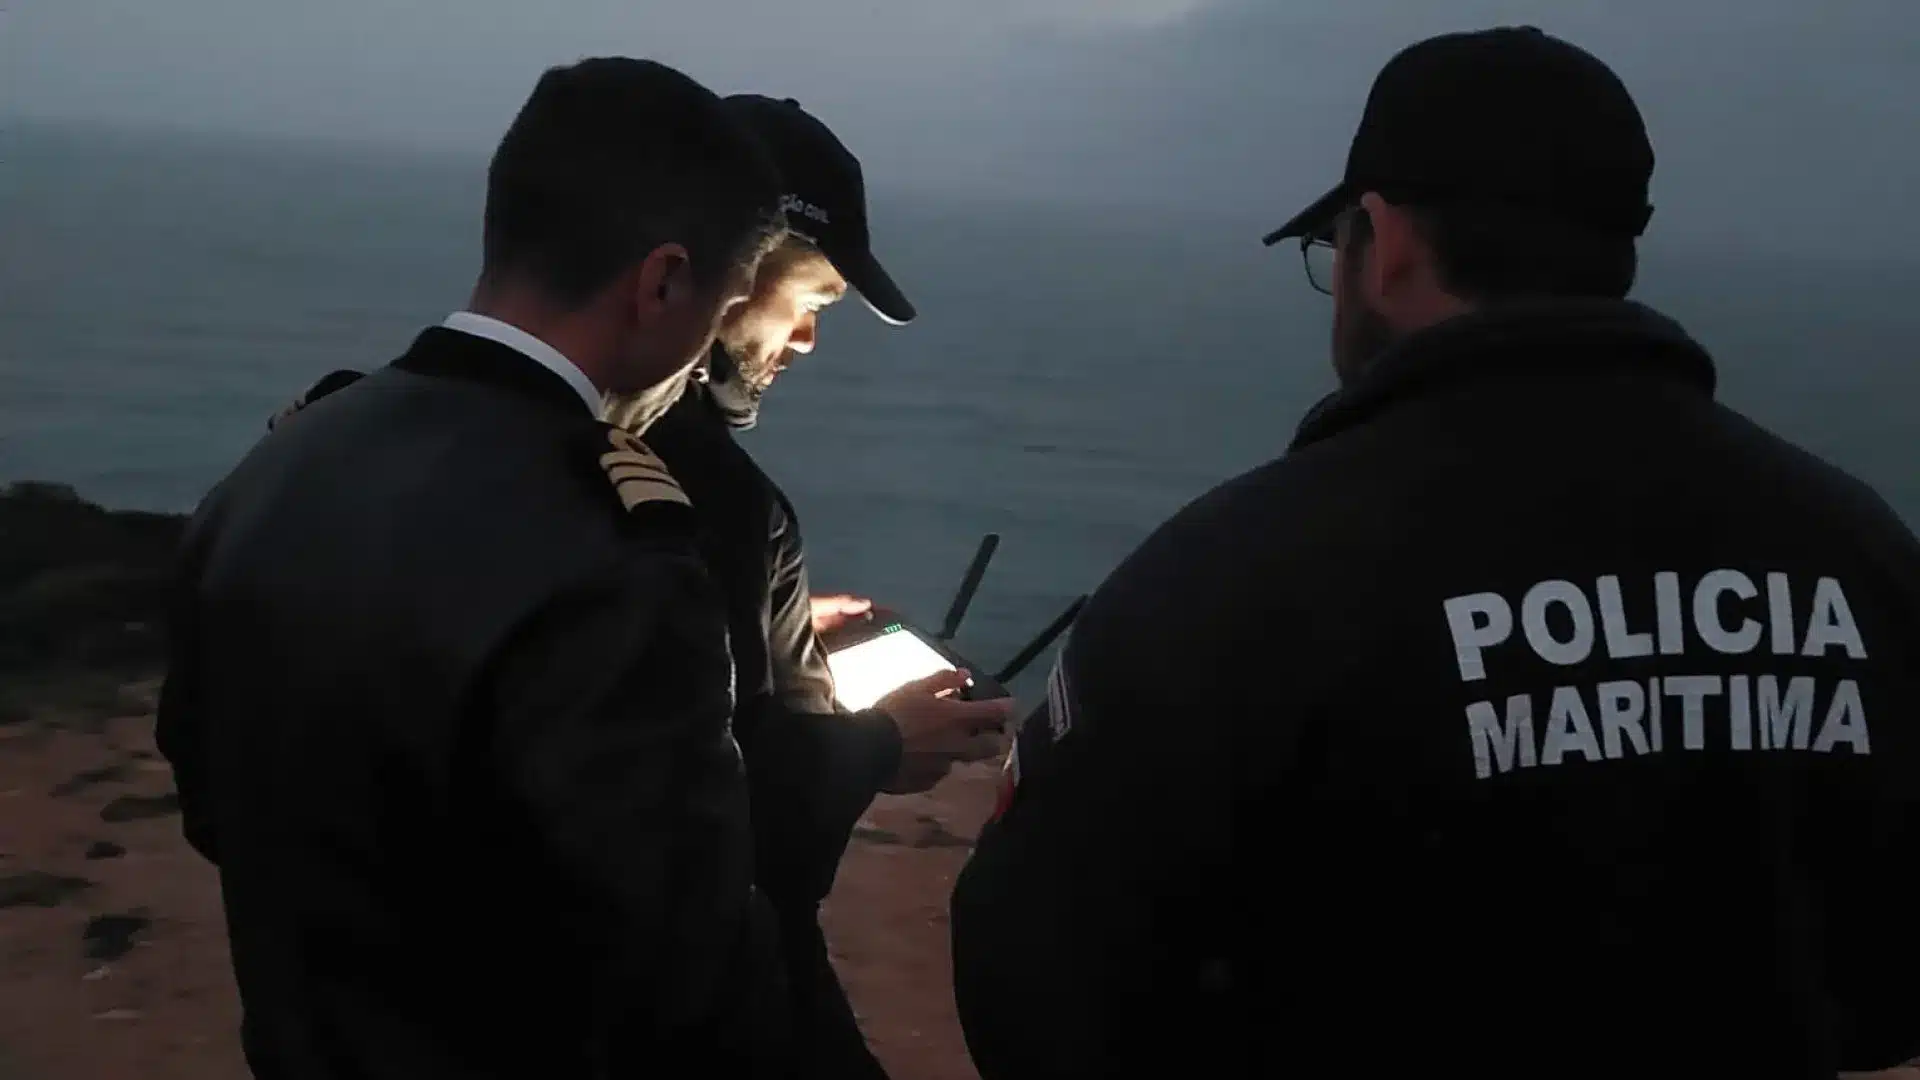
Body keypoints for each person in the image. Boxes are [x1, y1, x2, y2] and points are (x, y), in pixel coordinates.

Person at [949, 25, 1920, 1080]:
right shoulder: (1855, 550)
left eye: (1337, 251)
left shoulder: (1233, 580)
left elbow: (1036, 979)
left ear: (1386, 239)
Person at [156, 58, 795, 1079]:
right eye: (719, 312)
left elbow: (210, 801)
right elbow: (682, 966)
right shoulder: (617, 556)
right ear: (665, 279)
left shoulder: (285, 461)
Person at [608, 94, 1015, 1080]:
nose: (806, 343)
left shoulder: (535, 434)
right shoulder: (719, 498)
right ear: (736, 272)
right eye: (815, 301)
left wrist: (777, 622)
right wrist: (884, 743)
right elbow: (723, 826)